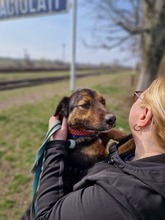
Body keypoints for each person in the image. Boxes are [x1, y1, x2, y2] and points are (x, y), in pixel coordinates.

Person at [36, 77, 165, 220]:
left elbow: (44, 216)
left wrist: (55, 146)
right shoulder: (144, 156)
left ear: (145, 115)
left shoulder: (111, 200)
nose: (106, 111)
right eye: (86, 105)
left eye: (139, 96)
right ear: (64, 112)